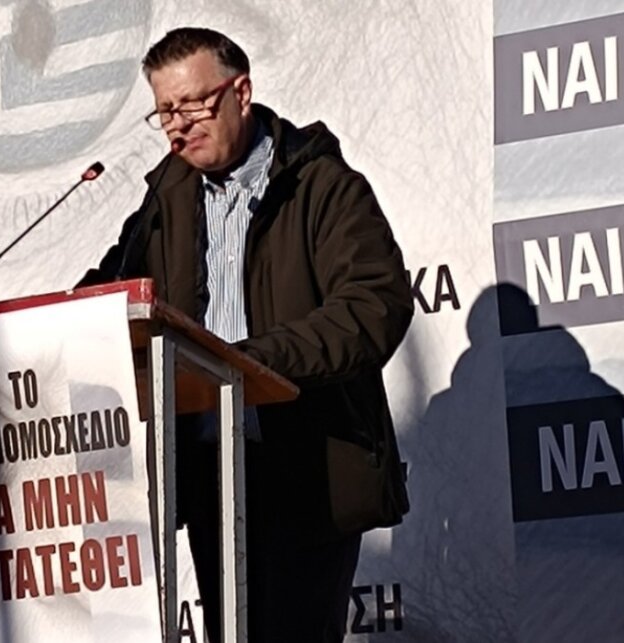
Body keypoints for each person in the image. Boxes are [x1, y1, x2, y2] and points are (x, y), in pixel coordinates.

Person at [79, 28, 413, 642]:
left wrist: (246, 364)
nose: (178, 127)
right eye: (165, 112)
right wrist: (53, 324)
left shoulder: (321, 184)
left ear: (241, 93)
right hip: (212, 476)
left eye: (193, 105)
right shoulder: (165, 201)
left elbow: (374, 307)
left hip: (308, 469)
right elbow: (106, 293)